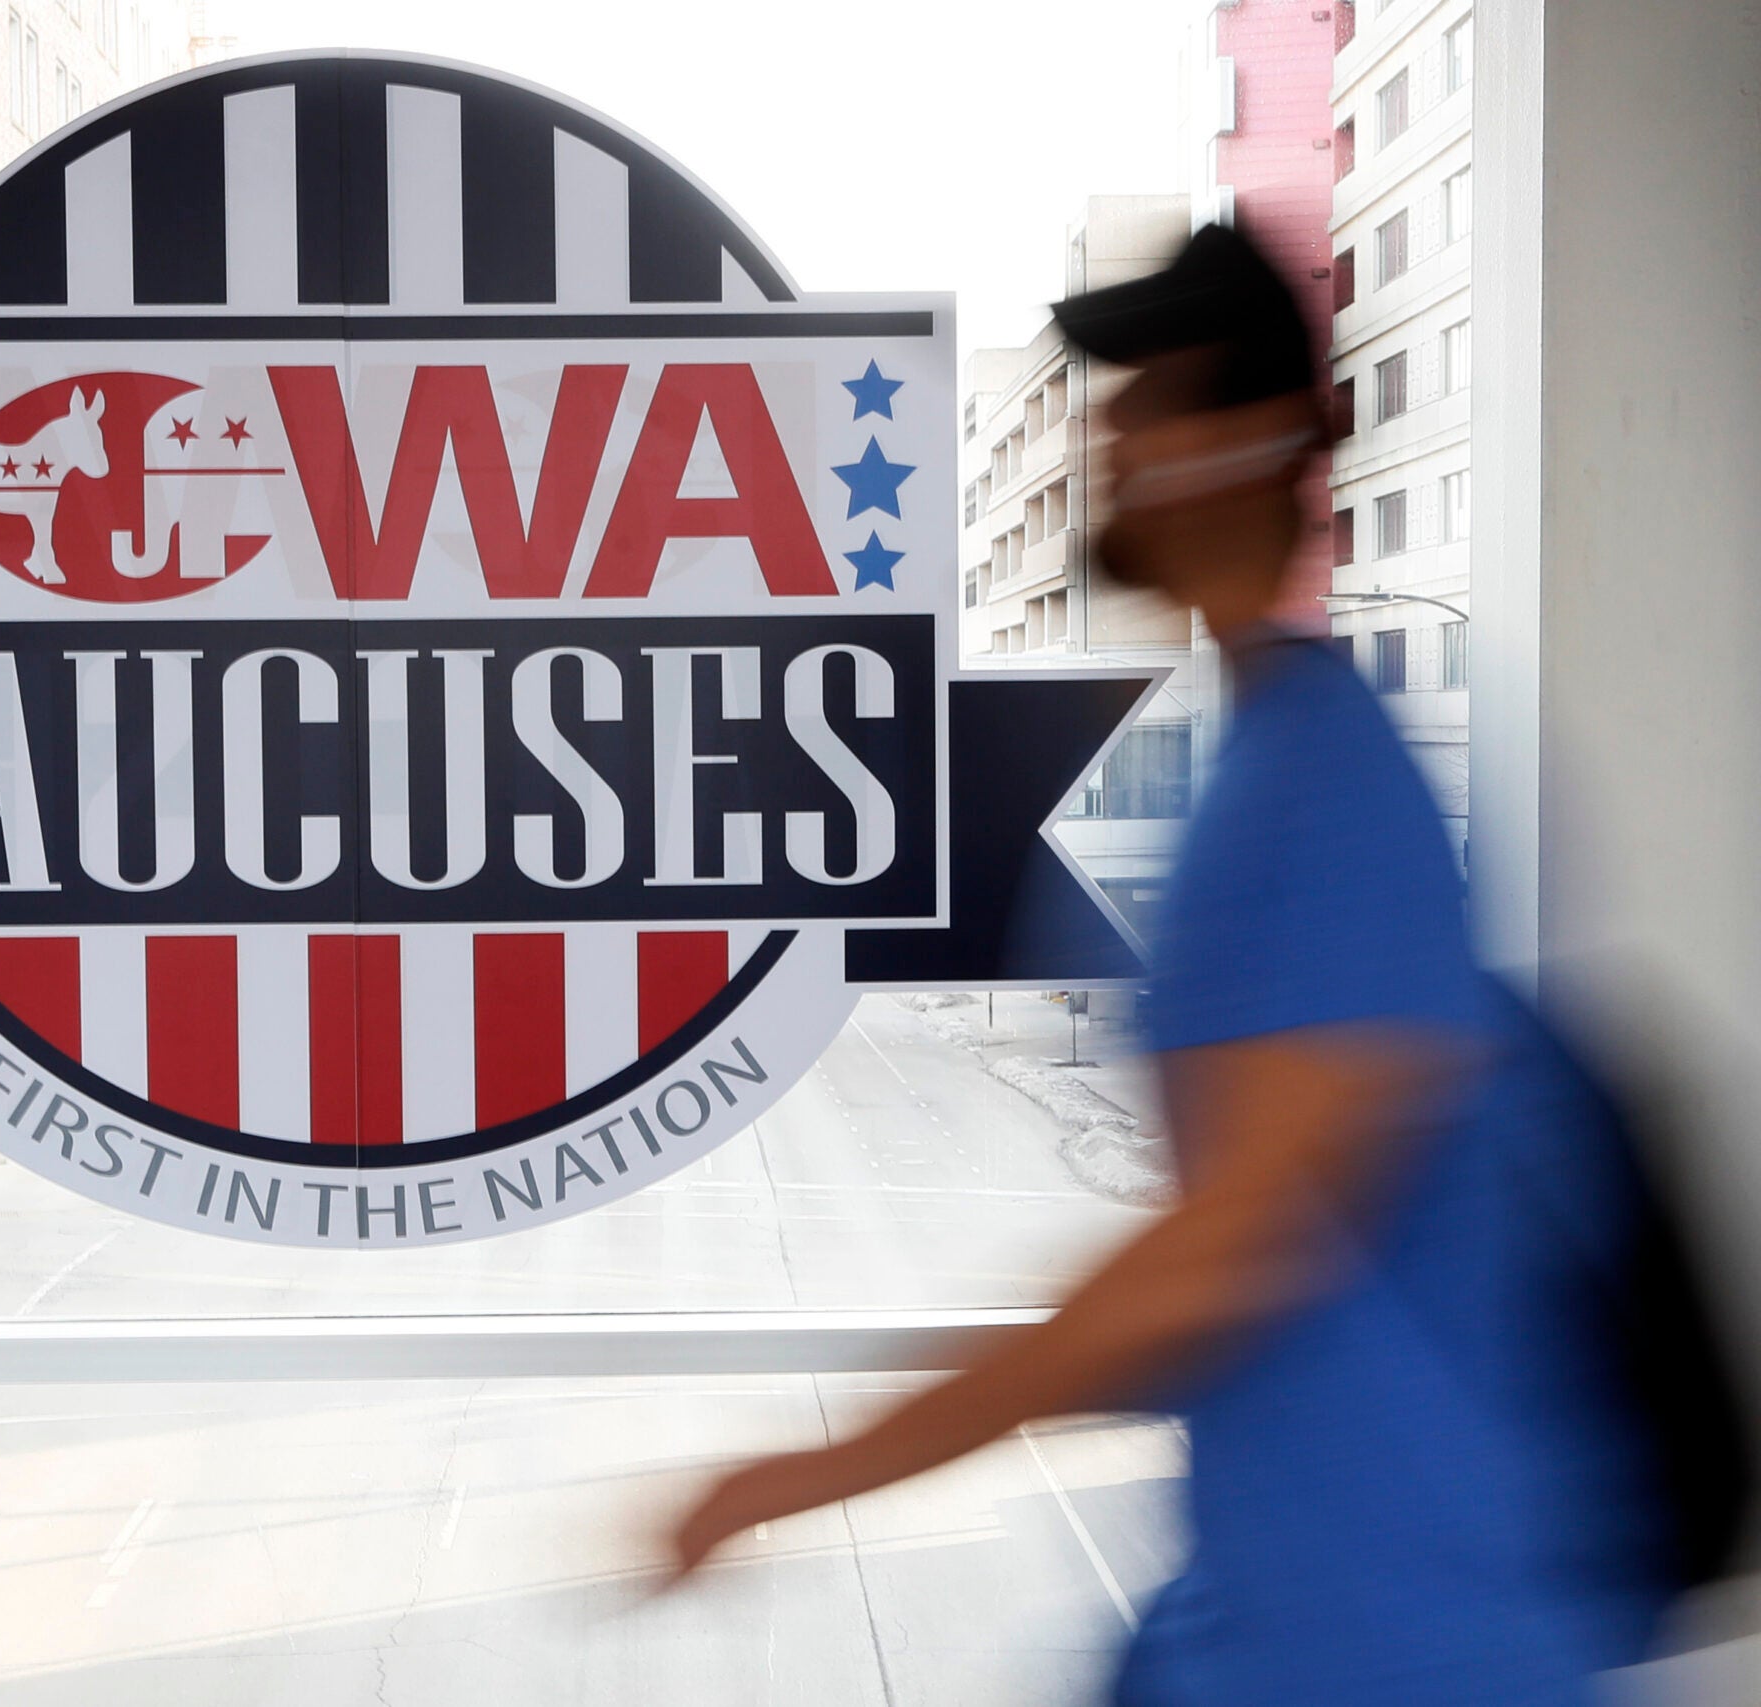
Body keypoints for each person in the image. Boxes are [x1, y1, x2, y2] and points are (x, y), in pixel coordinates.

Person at [665, 224, 1677, 1704]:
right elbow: (1245, 1270)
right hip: (1283, 1628)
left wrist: (818, 1467)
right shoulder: (1264, 761)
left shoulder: (1330, 787)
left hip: (1418, 1649)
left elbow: (1233, 1253)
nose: (1106, 439)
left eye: (1147, 402)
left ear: (1254, 441)